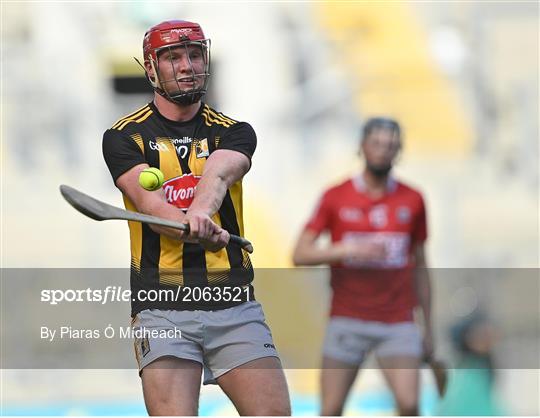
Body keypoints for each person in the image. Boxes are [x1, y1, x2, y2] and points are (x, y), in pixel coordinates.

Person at [102, 20, 290, 416]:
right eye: (173, 57)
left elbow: (220, 173)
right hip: (161, 305)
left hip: (233, 303)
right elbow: (150, 206)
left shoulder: (234, 131)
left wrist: (202, 214)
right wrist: (189, 226)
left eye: (194, 55)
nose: (187, 65)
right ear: (151, 69)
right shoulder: (123, 137)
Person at [293, 117, 432, 416]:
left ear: (399, 151)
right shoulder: (336, 196)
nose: (383, 151)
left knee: (410, 405)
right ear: (362, 147)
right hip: (347, 318)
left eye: (391, 145)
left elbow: (421, 266)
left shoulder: (414, 199)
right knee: (330, 409)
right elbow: (299, 254)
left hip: (397, 320)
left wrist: (428, 327)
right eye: (377, 143)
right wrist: (349, 249)